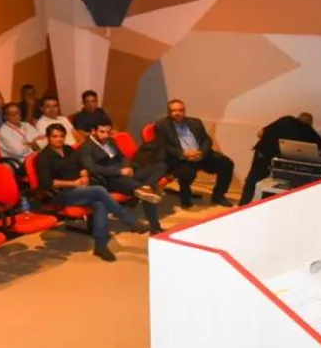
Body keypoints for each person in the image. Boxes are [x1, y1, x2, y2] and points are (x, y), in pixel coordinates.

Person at [36, 123, 142, 262]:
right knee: (99, 190)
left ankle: (100, 246)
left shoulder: (68, 149)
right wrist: (73, 183)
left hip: (81, 188)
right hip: (62, 193)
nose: (59, 139)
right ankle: (128, 220)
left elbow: (81, 166)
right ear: (48, 138)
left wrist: (84, 176)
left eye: (61, 136)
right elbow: (47, 183)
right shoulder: (44, 157)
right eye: (55, 136)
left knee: (100, 204)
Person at [81, 118, 165, 232]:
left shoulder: (110, 141)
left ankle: (146, 187)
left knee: (160, 166)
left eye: (108, 132)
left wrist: (127, 167)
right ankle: (155, 227)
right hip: (110, 179)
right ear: (93, 131)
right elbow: (93, 168)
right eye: (102, 132)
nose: (106, 135)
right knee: (146, 193)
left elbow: (122, 157)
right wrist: (119, 172)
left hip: (125, 173)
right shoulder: (87, 147)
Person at [153, 99, 234, 209]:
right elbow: (163, 146)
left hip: (200, 155)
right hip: (181, 159)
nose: (178, 113)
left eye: (181, 110)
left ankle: (218, 196)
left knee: (226, 164)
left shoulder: (195, 122)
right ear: (169, 112)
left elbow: (207, 140)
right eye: (174, 111)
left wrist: (201, 152)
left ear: (184, 111)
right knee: (186, 173)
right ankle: (185, 197)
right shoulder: (162, 125)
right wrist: (183, 154)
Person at [239, 112, 321, 205]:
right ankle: (266, 204)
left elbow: (260, 133)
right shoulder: (308, 130)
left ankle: (243, 204)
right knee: (275, 184)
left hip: (262, 152)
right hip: (280, 160)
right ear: (310, 123)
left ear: (297, 117)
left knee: (253, 179)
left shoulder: (286, 119)